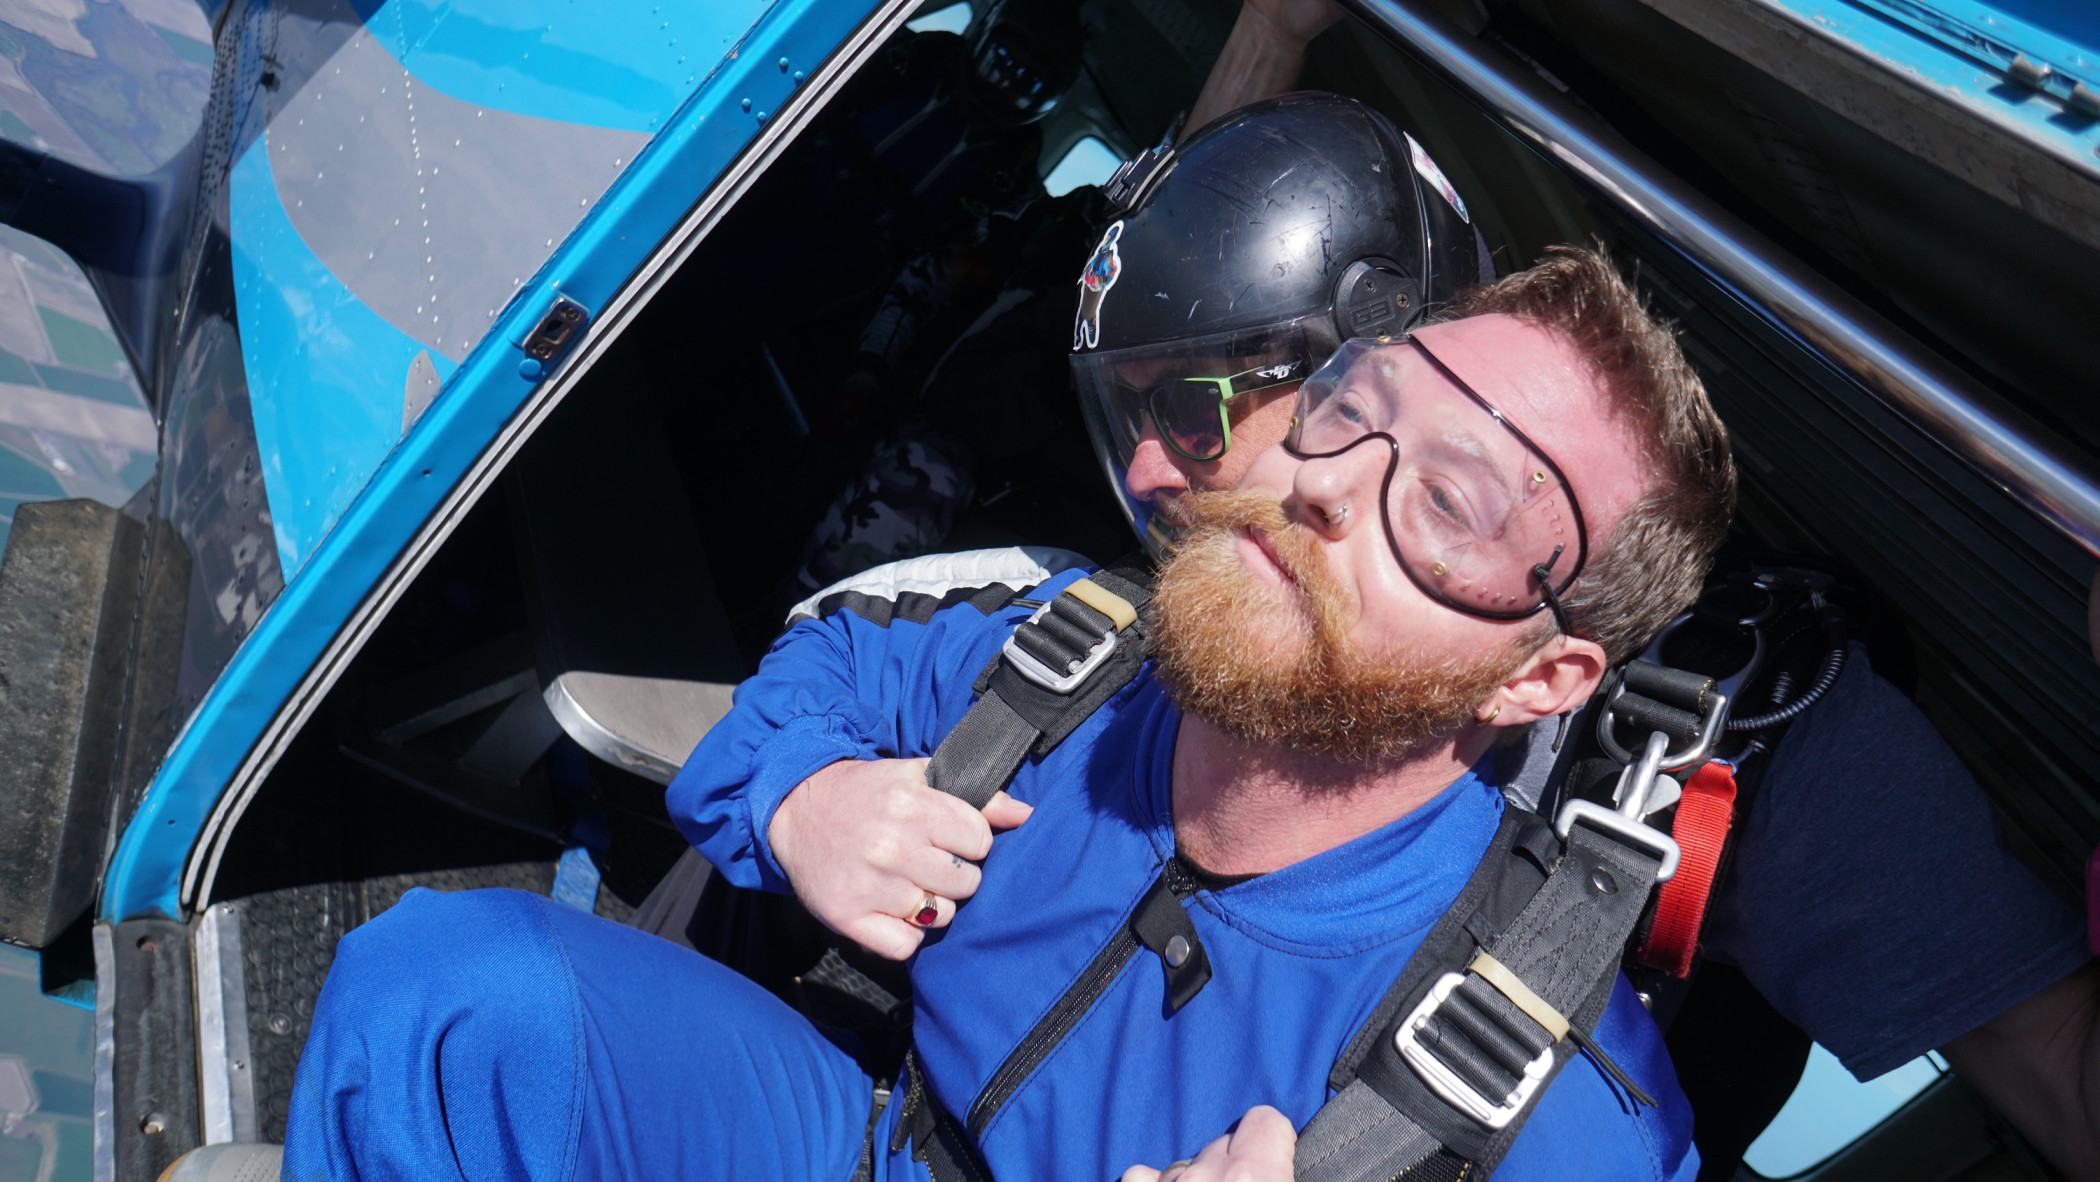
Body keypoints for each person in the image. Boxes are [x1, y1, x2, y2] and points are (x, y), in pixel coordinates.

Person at [280, 238, 1729, 1179]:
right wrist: (801, 796)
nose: (1330, 478)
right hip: (868, 1144)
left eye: (1460, 504)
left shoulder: (1546, 1096)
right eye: (1362, 401)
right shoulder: (1071, 653)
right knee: (448, 1000)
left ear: (1538, 676)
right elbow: (831, 665)